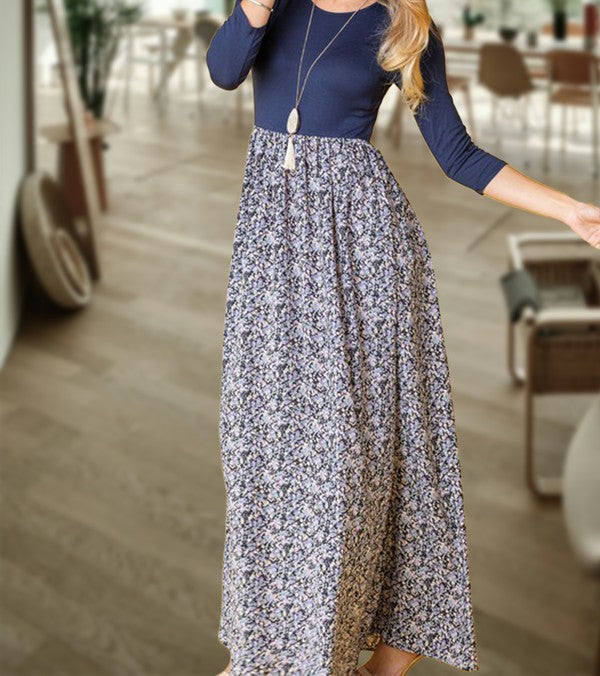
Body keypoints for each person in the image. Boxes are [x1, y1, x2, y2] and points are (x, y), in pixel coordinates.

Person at [205, 0, 600, 673]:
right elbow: (223, 71)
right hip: (272, 261)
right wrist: (252, 9)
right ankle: (272, 643)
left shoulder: (401, 26)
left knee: (346, 470)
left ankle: (343, 651)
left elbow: (458, 154)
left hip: (361, 257)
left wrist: (570, 210)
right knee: (258, 455)